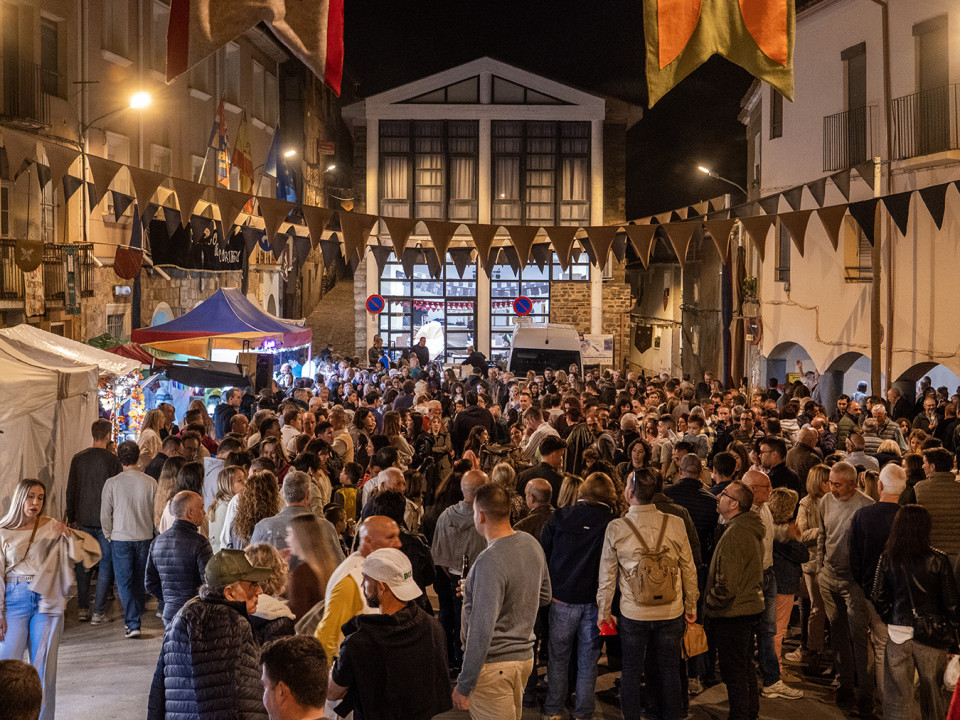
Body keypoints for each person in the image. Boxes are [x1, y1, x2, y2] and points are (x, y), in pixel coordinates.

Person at [597, 468, 699, 720]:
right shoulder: (675, 523)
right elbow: (689, 568)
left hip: (634, 611)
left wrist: (604, 612)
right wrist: (691, 606)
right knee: (670, 670)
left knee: (631, 671)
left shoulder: (616, 527)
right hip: (671, 610)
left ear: (630, 492)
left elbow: (607, 576)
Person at [453, 483, 551, 720]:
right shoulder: (531, 543)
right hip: (524, 659)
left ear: (481, 515)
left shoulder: (489, 560)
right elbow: (545, 595)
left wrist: (464, 684)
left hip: (494, 666)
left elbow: (481, 631)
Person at [328, 548, 452, 720]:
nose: (362, 585)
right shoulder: (432, 627)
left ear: (381, 587)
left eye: (365, 579)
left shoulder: (359, 643)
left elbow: (333, 692)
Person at [148, 549, 272, 720]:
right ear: (229, 593)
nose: (260, 591)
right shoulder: (234, 624)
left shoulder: (181, 617)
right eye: (253, 584)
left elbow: (158, 689)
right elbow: (247, 693)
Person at [540, 472, 617, 720]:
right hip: (595, 602)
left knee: (558, 658)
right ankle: (584, 712)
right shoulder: (612, 523)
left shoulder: (561, 516)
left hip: (561, 598)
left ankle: (553, 709)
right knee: (588, 661)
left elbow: (543, 553)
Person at [872, 505, 960, 720]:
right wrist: (954, 637)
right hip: (932, 636)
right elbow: (951, 605)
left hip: (897, 632)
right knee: (933, 697)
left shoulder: (888, 557)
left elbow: (877, 596)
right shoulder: (938, 560)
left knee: (897, 698)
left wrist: (892, 617)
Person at [0, 480, 77, 720]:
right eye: (31, 496)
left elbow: (69, 558)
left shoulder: (51, 526)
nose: (36, 502)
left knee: (44, 668)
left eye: (41, 497)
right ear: (20, 498)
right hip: (14, 598)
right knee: (7, 666)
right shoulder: (3, 530)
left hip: (47, 599)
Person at [817, 460, 876, 716]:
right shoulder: (825, 501)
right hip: (829, 577)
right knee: (838, 635)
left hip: (854, 583)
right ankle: (845, 686)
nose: (832, 488)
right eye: (830, 483)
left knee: (859, 638)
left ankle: (866, 694)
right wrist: (820, 567)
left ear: (853, 484)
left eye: (838, 485)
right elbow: (822, 534)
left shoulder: (867, 506)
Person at [704, 481, 765, 720]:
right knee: (745, 665)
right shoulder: (746, 528)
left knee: (734, 671)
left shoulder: (736, 533)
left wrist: (711, 602)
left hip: (733, 613)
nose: (719, 495)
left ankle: (740, 714)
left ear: (734, 504)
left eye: (724, 494)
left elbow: (727, 584)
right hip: (747, 608)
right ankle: (750, 712)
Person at [741, 469, 803, 699]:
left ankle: (772, 680)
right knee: (749, 631)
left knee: (768, 631)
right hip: (752, 578)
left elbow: (770, 533)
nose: (771, 490)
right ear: (752, 489)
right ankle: (747, 680)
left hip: (769, 576)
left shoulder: (765, 508)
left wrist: (786, 532)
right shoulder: (743, 513)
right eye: (766, 487)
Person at [850, 463, 907, 699]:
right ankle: (890, 700)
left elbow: (854, 557)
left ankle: (879, 700)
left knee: (875, 644)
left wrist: (865, 585)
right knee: (892, 646)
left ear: (880, 485)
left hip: (869, 590)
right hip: (900, 594)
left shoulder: (863, 516)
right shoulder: (909, 518)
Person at [313, 516, 403, 665]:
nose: (398, 543)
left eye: (397, 536)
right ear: (368, 541)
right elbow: (326, 639)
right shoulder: (351, 581)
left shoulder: (376, 569)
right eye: (390, 537)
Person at [65, 418, 122, 623]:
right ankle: (98, 611)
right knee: (106, 564)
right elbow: (117, 493)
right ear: (108, 435)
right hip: (106, 521)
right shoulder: (113, 461)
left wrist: (71, 517)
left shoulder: (78, 459)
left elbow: (71, 490)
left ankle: (82, 608)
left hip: (82, 519)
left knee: (82, 564)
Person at [431, 470, 488, 673]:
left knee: (447, 617)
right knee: (468, 623)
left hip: (450, 575)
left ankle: (445, 660)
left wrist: (450, 569)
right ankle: (464, 663)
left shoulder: (446, 516)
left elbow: (438, 551)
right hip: (477, 578)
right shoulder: (485, 518)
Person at [100, 440, 156, 639]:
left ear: (119, 458)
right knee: (139, 580)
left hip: (120, 537)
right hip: (145, 536)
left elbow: (105, 514)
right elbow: (155, 512)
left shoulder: (112, 483)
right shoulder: (150, 482)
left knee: (124, 582)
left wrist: (108, 534)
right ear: (138, 456)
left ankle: (133, 623)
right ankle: (136, 616)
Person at [145, 491, 213, 626]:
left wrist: (170, 600)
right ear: (190, 513)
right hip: (196, 614)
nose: (204, 512)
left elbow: (149, 583)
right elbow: (209, 582)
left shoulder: (157, 542)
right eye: (201, 507)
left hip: (169, 614)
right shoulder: (200, 543)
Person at [249, 471, 344, 563]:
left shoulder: (262, 527)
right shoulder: (326, 527)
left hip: (277, 574)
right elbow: (340, 565)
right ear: (308, 495)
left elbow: (252, 564)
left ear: (283, 494)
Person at [284, 514, 336, 622]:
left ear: (300, 537)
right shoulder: (327, 567)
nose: (287, 539)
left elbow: (297, 616)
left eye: (290, 534)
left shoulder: (301, 574)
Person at [914, 447, 960, 562]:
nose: (922, 466)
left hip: (931, 554)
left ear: (932, 467)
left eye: (924, 463)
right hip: (957, 555)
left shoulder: (918, 489)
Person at [516, 435, 566, 501]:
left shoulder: (522, 476)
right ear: (555, 454)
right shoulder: (559, 479)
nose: (561, 459)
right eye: (561, 455)